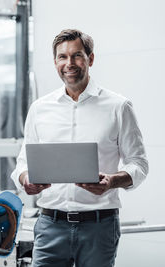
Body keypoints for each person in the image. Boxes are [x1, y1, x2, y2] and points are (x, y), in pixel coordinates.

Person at [11, 29, 149, 267]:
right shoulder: (39, 108)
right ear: (55, 61)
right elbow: (23, 162)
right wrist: (25, 179)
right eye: (62, 57)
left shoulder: (118, 106)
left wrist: (112, 181)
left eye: (76, 55)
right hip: (50, 225)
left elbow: (139, 163)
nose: (69, 63)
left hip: (99, 226)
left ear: (90, 59)